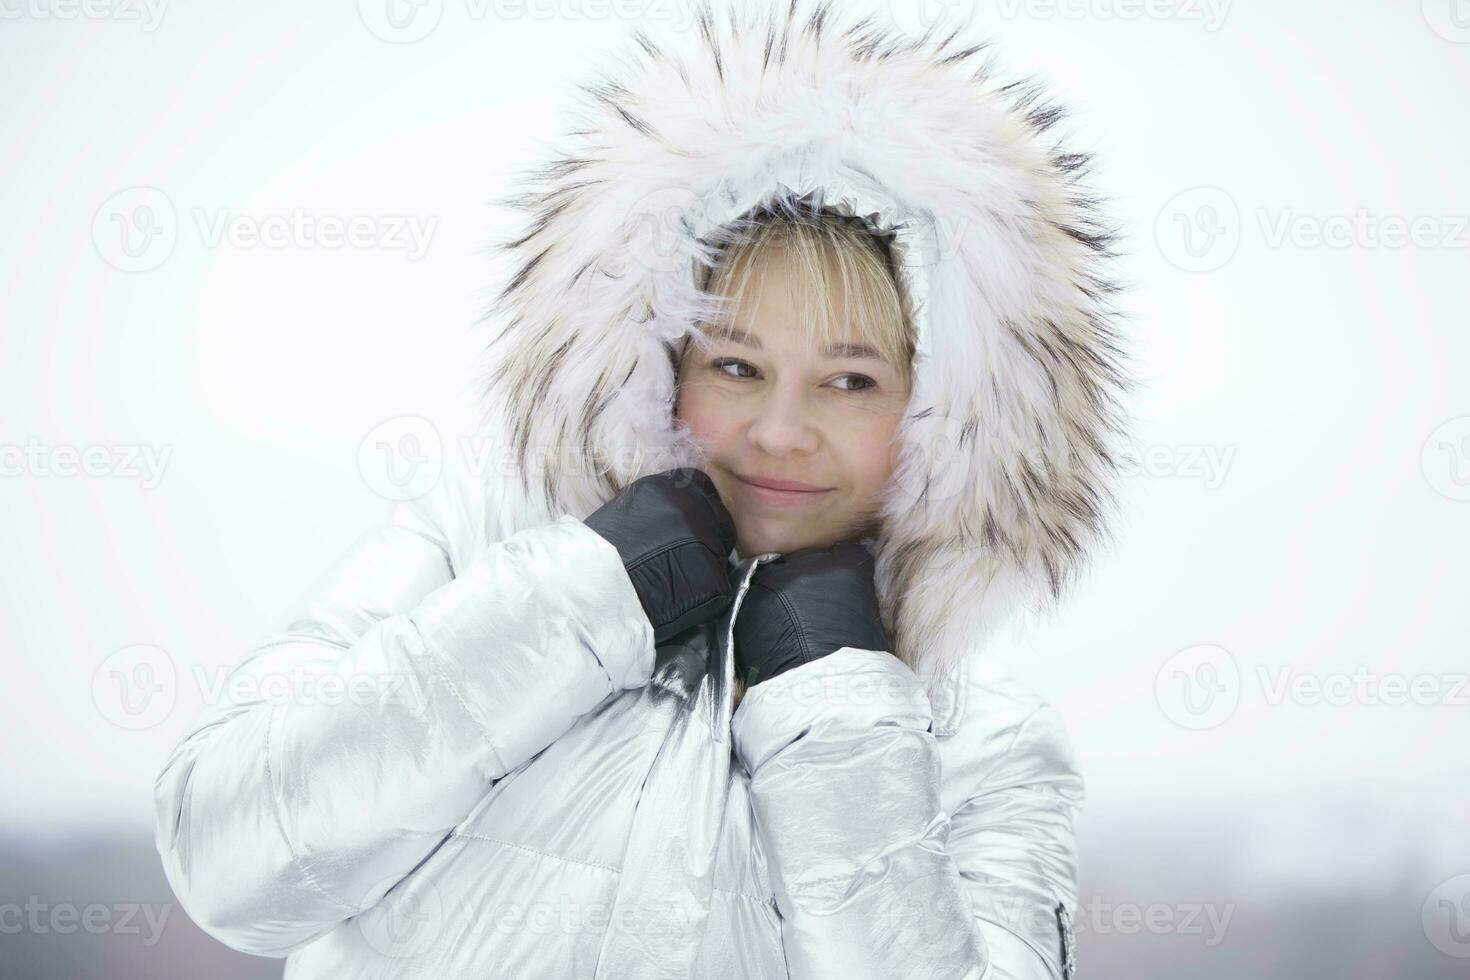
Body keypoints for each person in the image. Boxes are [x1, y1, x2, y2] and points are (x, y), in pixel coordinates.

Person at [153, 1, 1130, 977]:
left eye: (850, 380)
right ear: (660, 366)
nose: (781, 430)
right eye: (737, 366)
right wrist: (577, 602)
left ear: (942, 407)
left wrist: (840, 716)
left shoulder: (987, 745)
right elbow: (227, 860)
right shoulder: (474, 551)